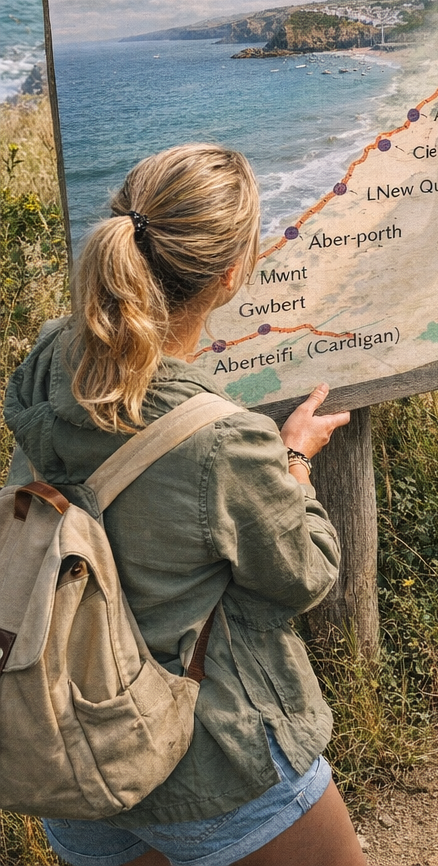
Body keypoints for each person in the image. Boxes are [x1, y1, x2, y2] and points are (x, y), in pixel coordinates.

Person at [4, 143, 366, 866]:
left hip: (71, 746)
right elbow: (305, 575)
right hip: (215, 759)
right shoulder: (222, 439)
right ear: (232, 275)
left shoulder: (47, 358)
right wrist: (292, 461)